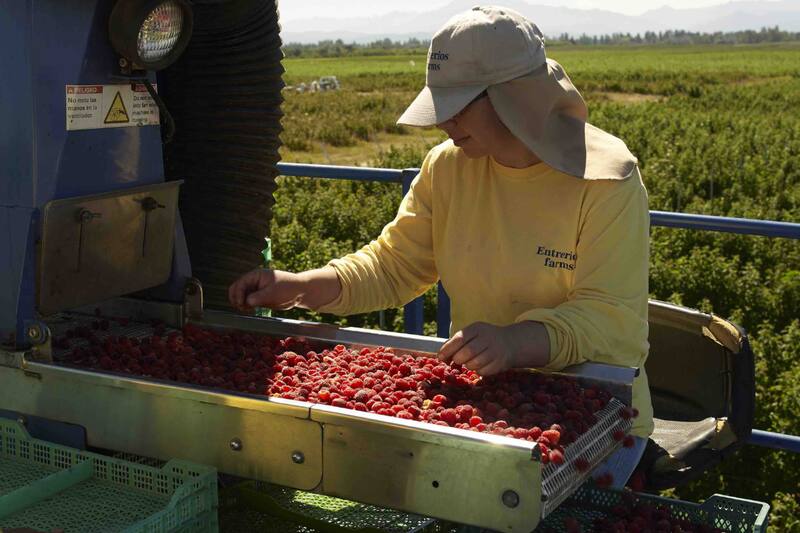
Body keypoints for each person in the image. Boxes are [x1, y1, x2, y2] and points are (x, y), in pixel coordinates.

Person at [229, 5, 652, 488]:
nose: (443, 121)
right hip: (488, 403)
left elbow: (609, 318)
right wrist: (301, 286)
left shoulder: (606, 179)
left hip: (597, 418)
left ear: (514, 97)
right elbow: (392, 267)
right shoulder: (448, 168)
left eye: (460, 103)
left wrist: (514, 342)